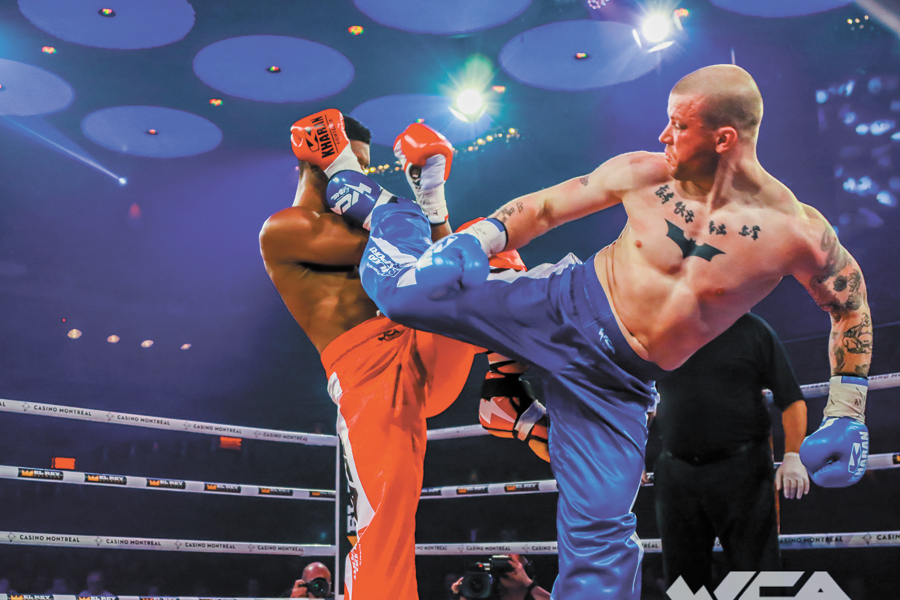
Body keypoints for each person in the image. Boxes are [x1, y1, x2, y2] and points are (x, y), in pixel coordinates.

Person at [299, 64, 873, 599]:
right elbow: (546, 209)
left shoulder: (794, 231)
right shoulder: (645, 172)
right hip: (560, 304)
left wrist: (848, 409)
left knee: (601, 538)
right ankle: (385, 198)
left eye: (679, 124)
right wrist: (482, 238)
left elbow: (849, 304)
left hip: (618, 383)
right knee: (408, 291)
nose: (664, 134)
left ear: (724, 137)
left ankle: (507, 402)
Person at [260, 112, 543, 600]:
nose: (358, 178)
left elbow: (435, 266)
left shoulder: (367, 218)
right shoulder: (286, 228)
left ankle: (506, 393)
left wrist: (435, 208)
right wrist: (425, 203)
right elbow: (401, 238)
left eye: (361, 167)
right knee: (387, 519)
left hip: (420, 337)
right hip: (366, 371)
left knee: (487, 244)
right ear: (315, 162)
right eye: (347, 164)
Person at [652, 312, 809, 591]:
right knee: (682, 582)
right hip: (676, 472)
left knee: (759, 575)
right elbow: (637, 399)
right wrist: (629, 453)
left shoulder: (752, 329)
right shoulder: (663, 329)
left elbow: (791, 398)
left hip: (743, 470)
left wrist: (793, 455)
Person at [451, 555, 550, 600]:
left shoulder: (532, 591)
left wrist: (528, 583)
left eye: (511, 562)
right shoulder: (486, 589)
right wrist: (466, 591)